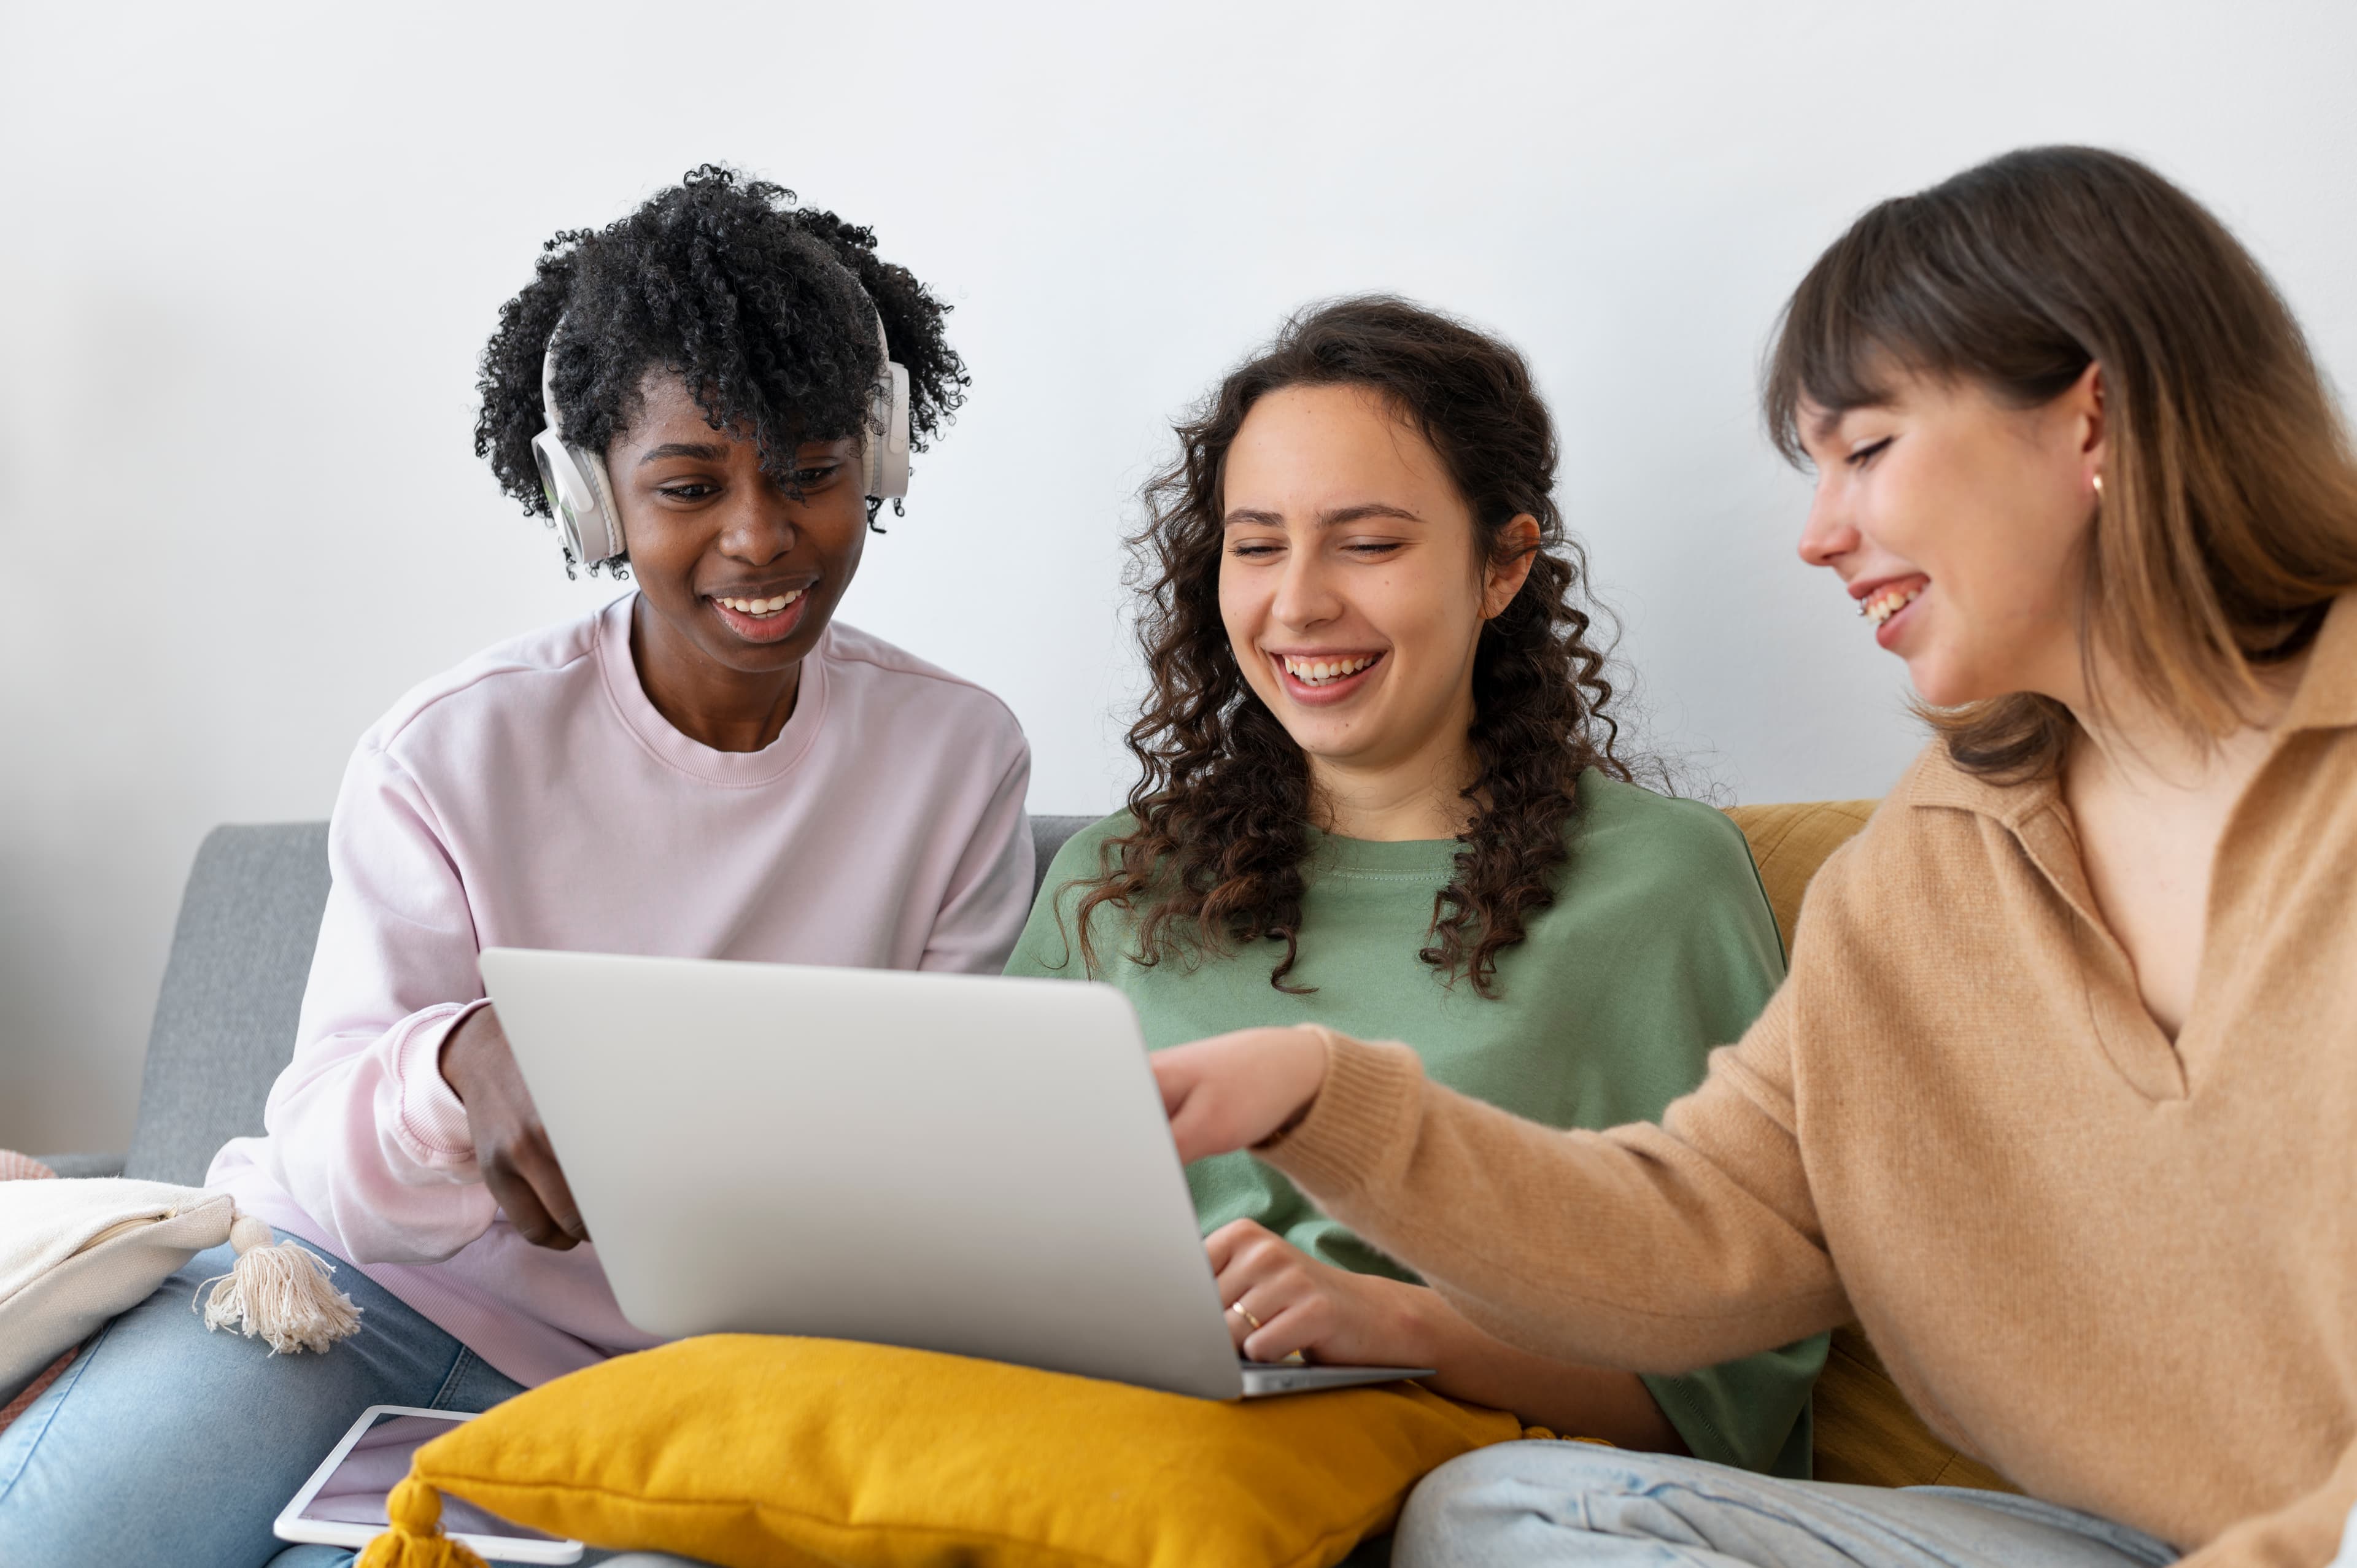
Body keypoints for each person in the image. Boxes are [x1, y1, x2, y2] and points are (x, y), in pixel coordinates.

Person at [1148, 147, 2357, 1567]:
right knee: (1499, 1516)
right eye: (1813, 467)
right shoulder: (1932, 866)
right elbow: (1699, 1228)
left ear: (2094, 415)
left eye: (1868, 449)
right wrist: (1329, 1101)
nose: (1817, 534)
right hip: (2092, 1543)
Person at [0, 166, 1032, 1568]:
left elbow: (947, 1151)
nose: (761, 534)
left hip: (671, 1382)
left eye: (811, 473)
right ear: (590, 499)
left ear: (883, 457)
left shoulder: (956, 761)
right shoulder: (449, 752)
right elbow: (325, 1152)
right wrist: (462, 1063)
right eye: (688, 486)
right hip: (340, 1302)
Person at [1007, 298, 1824, 1469]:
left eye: (1370, 544)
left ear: (1503, 567)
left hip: (1456, 1499)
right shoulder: (1116, 880)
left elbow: (1732, 1400)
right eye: (1256, 544)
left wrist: (1400, 1330)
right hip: (1089, 1462)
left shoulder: (1661, 887)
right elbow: (980, 1231)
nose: (1298, 603)